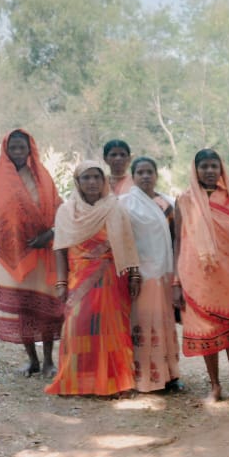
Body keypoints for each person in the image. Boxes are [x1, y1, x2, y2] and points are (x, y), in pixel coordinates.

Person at [46, 161, 141, 397]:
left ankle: (115, 382)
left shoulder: (114, 207)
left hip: (112, 278)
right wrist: (61, 283)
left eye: (97, 177)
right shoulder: (66, 211)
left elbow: (128, 244)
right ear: (77, 182)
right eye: (86, 178)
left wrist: (134, 275)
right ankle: (77, 382)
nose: (92, 182)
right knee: (77, 327)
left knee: (111, 329)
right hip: (79, 277)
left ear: (104, 180)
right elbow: (60, 249)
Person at [0, 129, 63, 377]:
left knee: (46, 307)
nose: (17, 152)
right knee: (22, 308)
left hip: (43, 252)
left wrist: (50, 234)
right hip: (10, 258)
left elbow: (60, 212)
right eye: (12, 147)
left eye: (21, 147)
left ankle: (49, 361)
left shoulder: (42, 177)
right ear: (5, 150)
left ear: (30, 149)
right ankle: (32, 361)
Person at [174, 149, 229, 403]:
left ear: (221, 169)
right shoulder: (184, 200)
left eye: (213, 166)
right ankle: (216, 387)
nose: (209, 171)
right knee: (206, 331)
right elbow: (178, 241)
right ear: (195, 170)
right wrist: (176, 282)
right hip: (196, 276)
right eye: (204, 166)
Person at [121, 157, 183, 393]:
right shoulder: (125, 204)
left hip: (165, 273)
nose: (146, 176)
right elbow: (123, 241)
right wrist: (132, 272)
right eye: (140, 172)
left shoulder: (168, 202)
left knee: (164, 324)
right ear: (133, 176)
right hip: (141, 275)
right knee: (143, 323)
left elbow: (177, 237)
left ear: (156, 175)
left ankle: (169, 375)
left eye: (149, 172)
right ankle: (144, 378)